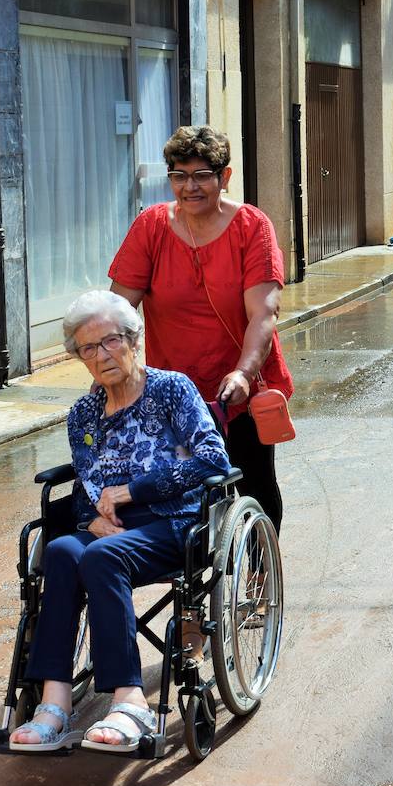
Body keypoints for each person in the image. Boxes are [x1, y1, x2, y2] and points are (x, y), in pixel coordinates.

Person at [9, 290, 231, 753]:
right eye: (89, 348)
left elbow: (213, 459)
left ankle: (130, 700)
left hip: (175, 522)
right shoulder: (84, 414)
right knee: (61, 551)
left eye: (110, 341)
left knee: (104, 558)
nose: (102, 355)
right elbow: (87, 484)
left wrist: (136, 490)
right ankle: (54, 702)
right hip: (108, 530)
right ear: (79, 358)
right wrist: (90, 522)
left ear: (134, 340)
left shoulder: (172, 389)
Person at [110, 125, 292, 527]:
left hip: (236, 387)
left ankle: (262, 576)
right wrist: (114, 365)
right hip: (174, 389)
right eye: (179, 175)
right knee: (174, 487)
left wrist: (244, 373)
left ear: (224, 177)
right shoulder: (151, 226)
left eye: (201, 176)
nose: (189, 187)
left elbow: (263, 313)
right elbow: (119, 311)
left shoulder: (251, 227)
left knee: (255, 483)